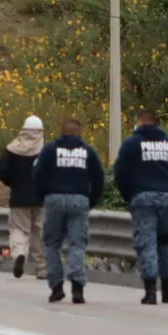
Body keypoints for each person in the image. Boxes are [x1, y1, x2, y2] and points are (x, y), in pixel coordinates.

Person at [113, 107, 168, 306]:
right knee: (166, 243)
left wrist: (130, 196)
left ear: (139, 122)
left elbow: (120, 174)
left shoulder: (131, 145)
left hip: (143, 198)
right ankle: (167, 289)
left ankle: (150, 291)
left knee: (146, 242)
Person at [33, 119, 105, 304]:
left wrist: (43, 197)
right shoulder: (88, 152)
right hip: (79, 200)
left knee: (51, 243)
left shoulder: (49, 150)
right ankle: (77, 287)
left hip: (54, 198)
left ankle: (56, 286)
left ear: (61, 133)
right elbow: (99, 178)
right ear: (79, 133)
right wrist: (91, 200)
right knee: (77, 244)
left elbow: (37, 175)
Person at [0, 116, 47, 280]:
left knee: (19, 230)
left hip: (19, 198)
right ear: (40, 131)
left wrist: (13, 183)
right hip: (41, 199)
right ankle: (42, 268)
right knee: (39, 233)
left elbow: (1, 170)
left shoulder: (12, 149)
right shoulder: (46, 151)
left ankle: (20, 254)